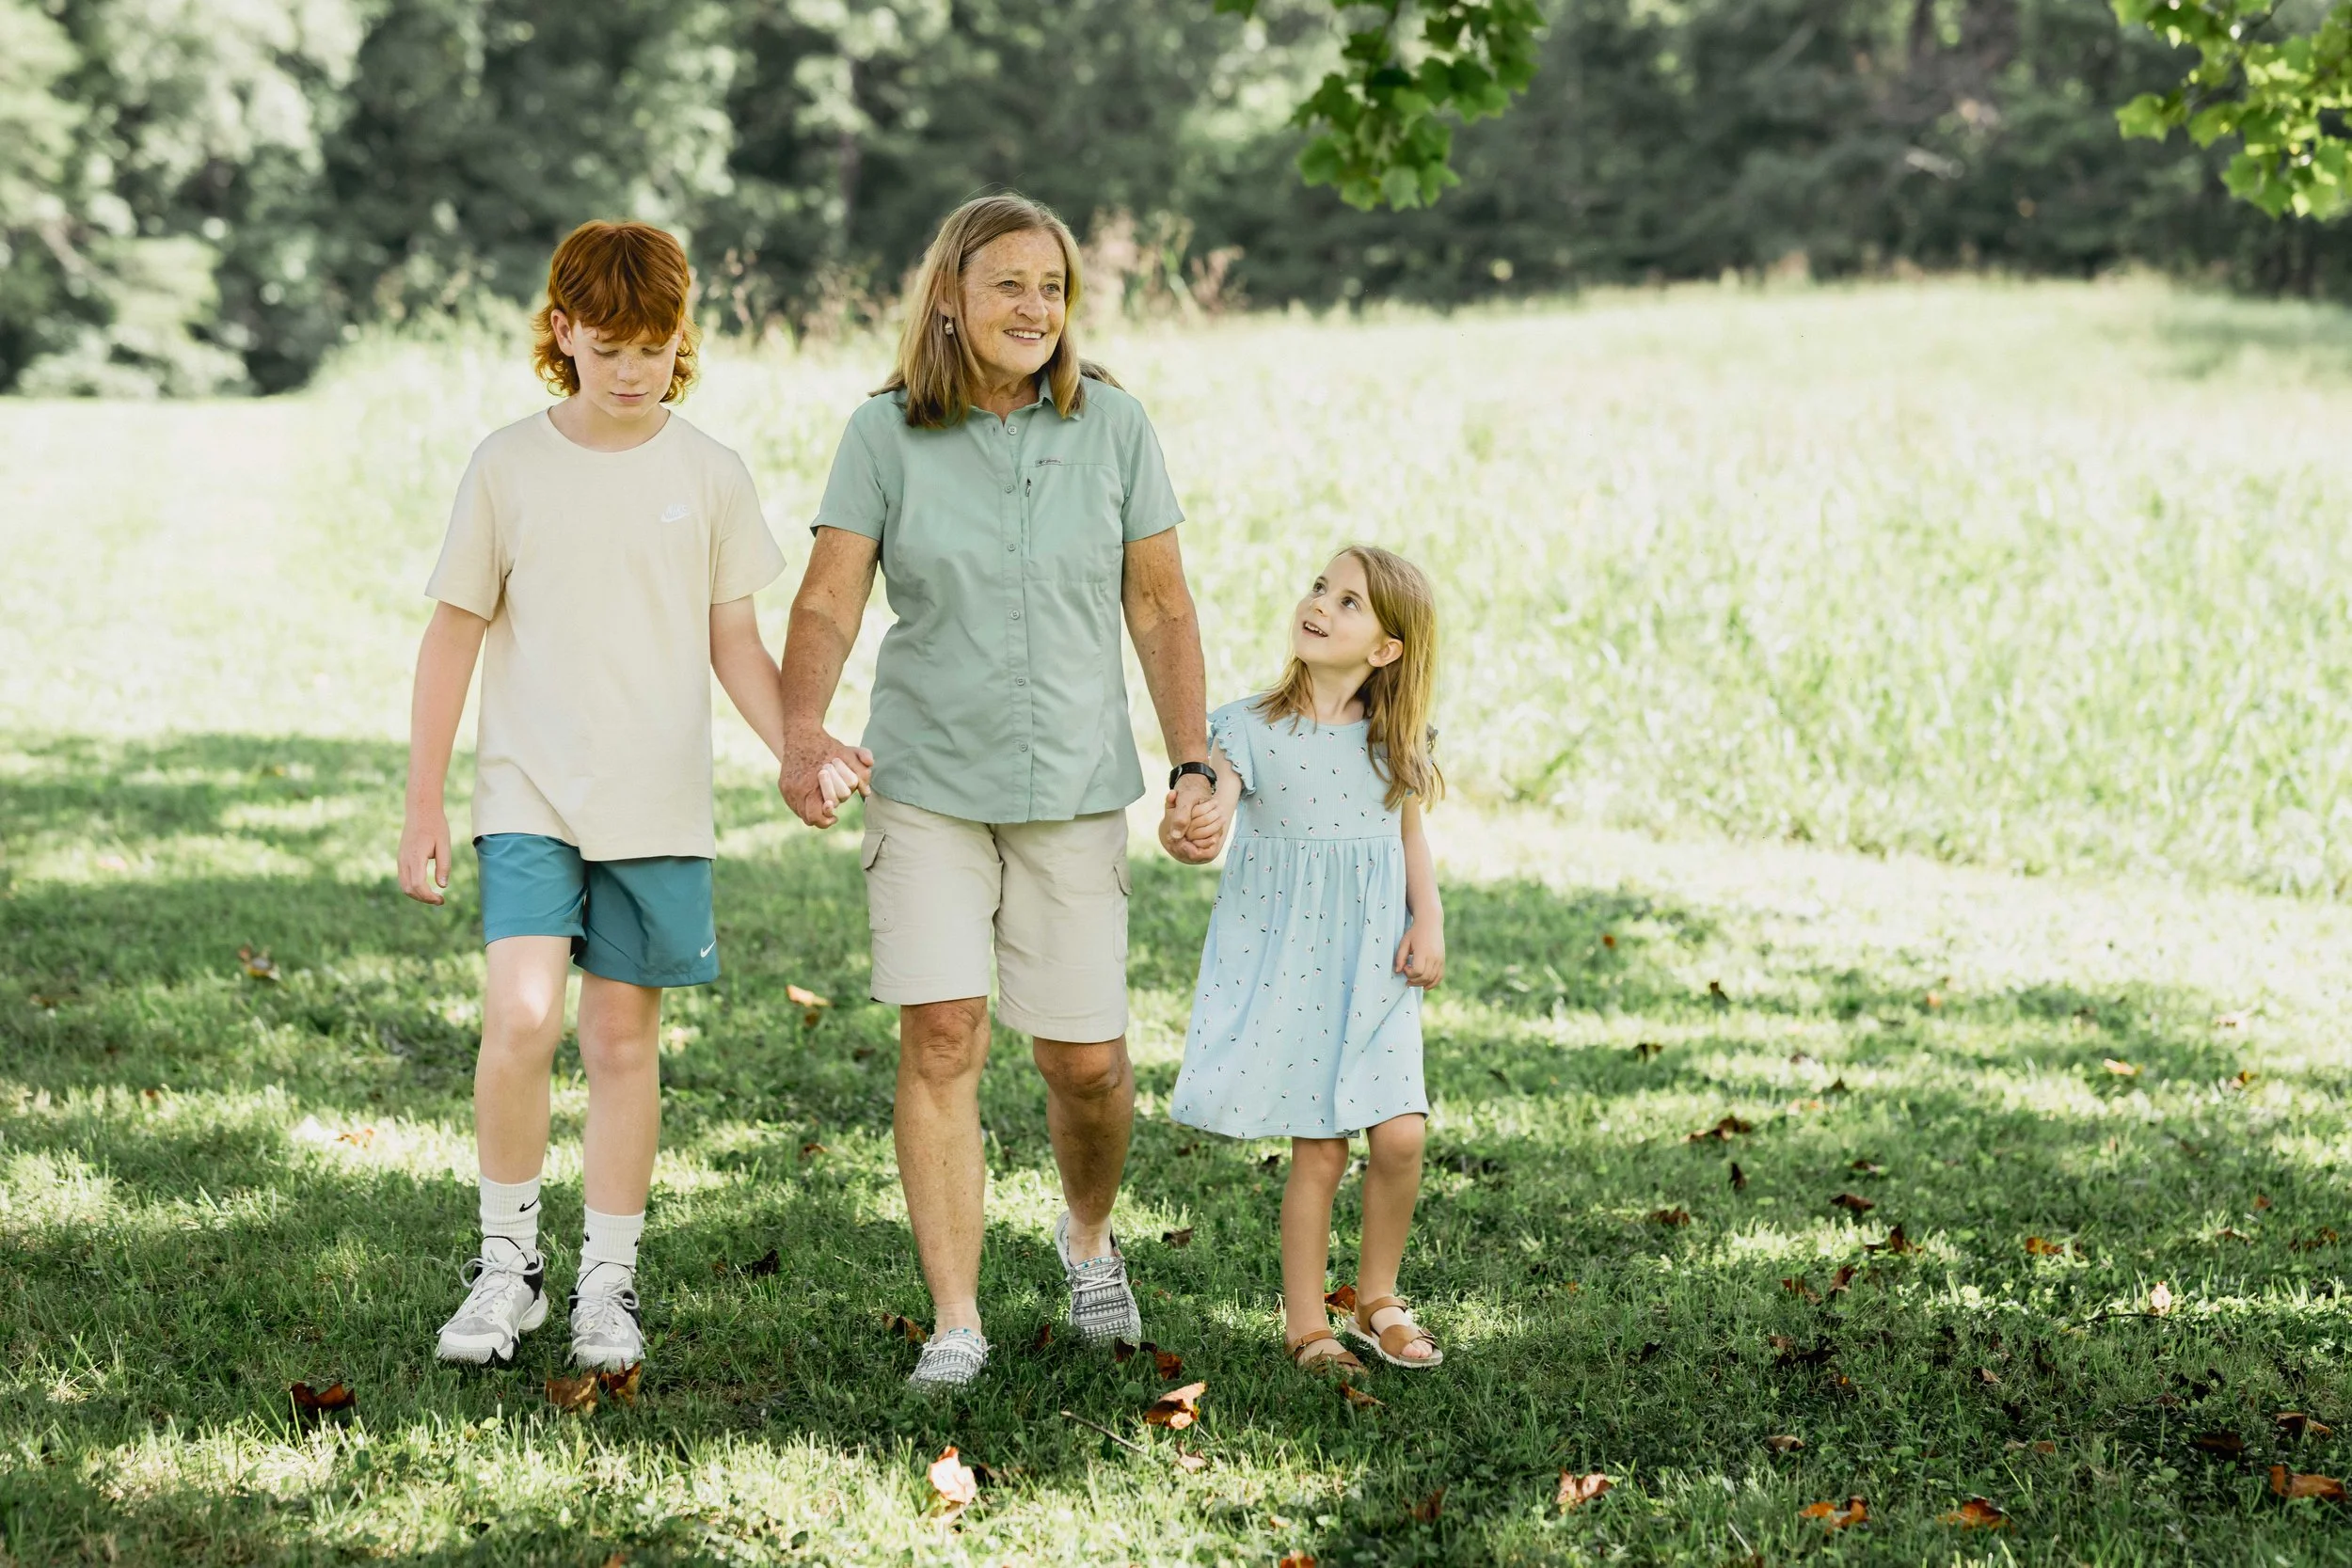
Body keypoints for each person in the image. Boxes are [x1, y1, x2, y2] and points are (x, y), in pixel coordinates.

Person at [780, 192, 1217, 1389]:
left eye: (1052, 287)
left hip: (1073, 782)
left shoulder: (1113, 425)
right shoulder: (883, 433)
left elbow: (1161, 606)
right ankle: (956, 1319)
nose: (1035, 307)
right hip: (927, 778)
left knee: (1087, 1064)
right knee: (942, 1032)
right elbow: (828, 600)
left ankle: (1089, 1237)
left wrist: (1190, 759)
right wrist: (803, 729)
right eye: (1008, 284)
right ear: (950, 297)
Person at [396, 220, 790, 1372]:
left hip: (657, 803)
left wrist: (798, 746)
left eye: (653, 348)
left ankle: (607, 1282)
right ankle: (506, 1266)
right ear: (562, 330)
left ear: (682, 338)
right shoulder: (507, 465)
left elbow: (735, 641)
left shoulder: (709, 473)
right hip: (528, 790)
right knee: (521, 1016)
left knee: (621, 1038)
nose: (630, 370)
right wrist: (424, 803)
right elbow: (451, 636)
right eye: (608, 346)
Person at [1169, 545, 1449, 1377]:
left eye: (1349, 601)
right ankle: (1305, 1323)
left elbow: (1408, 835)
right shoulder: (1249, 727)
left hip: (1378, 963)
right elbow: (1212, 801)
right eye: (1320, 587)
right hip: (1298, 967)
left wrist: (1429, 918)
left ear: (1386, 649)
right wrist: (1193, 821)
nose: (1319, 603)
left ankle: (1377, 1297)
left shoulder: (1393, 740)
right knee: (1321, 1149)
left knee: (1401, 1134)